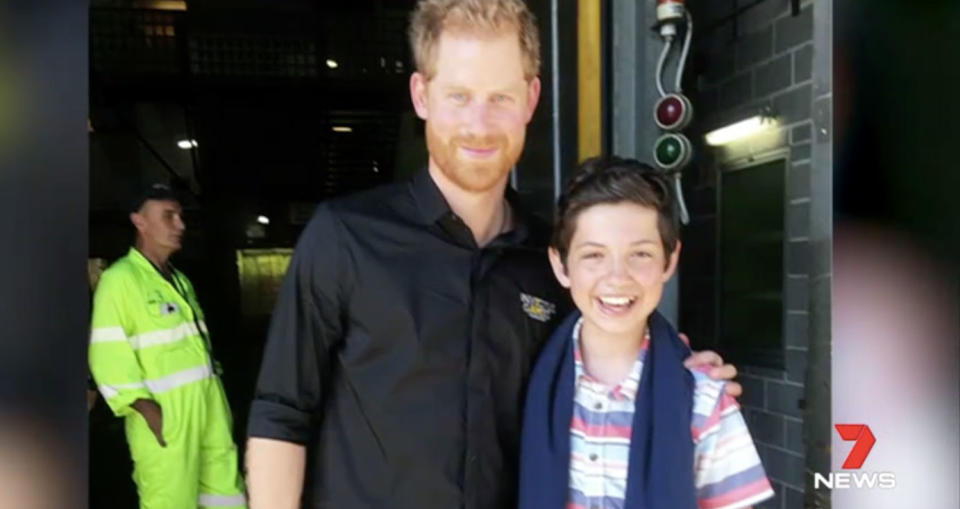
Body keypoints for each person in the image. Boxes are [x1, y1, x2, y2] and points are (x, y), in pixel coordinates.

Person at [245, 2, 741, 508]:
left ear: (530, 99)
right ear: (421, 95)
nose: (479, 125)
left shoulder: (554, 264)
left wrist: (684, 377)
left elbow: (611, 357)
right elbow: (282, 411)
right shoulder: (345, 237)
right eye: (458, 96)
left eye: (500, 97)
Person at [519, 157, 774, 509]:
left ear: (669, 262)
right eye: (594, 255)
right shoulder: (525, 380)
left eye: (640, 254)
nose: (617, 277)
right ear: (561, 266)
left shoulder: (702, 399)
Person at [88, 183, 247, 509]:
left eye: (181, 216)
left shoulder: (180, 281)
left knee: (226, 496)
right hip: (167, 416)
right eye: (169, 216)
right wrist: (150, 413)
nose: (181, 225)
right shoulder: (121, 280)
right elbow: (107, 356)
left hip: (208, 409)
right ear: (140, 221)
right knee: (170, 501)